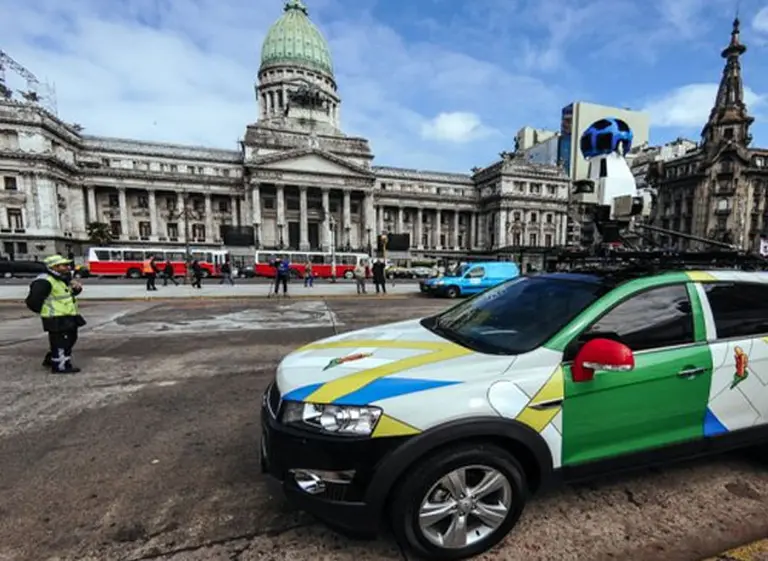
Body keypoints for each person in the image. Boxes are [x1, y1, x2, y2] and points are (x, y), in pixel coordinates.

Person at [25, 254, 86, 374]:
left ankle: (52, 358)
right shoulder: (44, 281)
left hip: (67, 315)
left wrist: (76, 289)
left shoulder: (61, 278)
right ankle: (60, 366)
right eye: (64, 265)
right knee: (61, 342)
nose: (68, 267)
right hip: (56, 317)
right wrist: (46, 311)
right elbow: (33, 301)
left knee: (70, 339)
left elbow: (65, 295)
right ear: (54, 267)